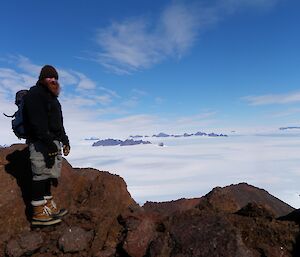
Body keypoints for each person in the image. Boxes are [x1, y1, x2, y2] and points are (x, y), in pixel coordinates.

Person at [23, 65, 70, 226]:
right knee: (40, 175)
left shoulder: (52, 98)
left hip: (52, 142)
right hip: (40, 143)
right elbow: (37, 124)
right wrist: (49, 145)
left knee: (48, 175)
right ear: (42, 79)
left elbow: (58, 124)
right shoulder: (35, 95)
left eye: (55, 78)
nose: (53, 80)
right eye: (50, 77)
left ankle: (48, 208)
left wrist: (65, 140)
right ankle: (38, 214)